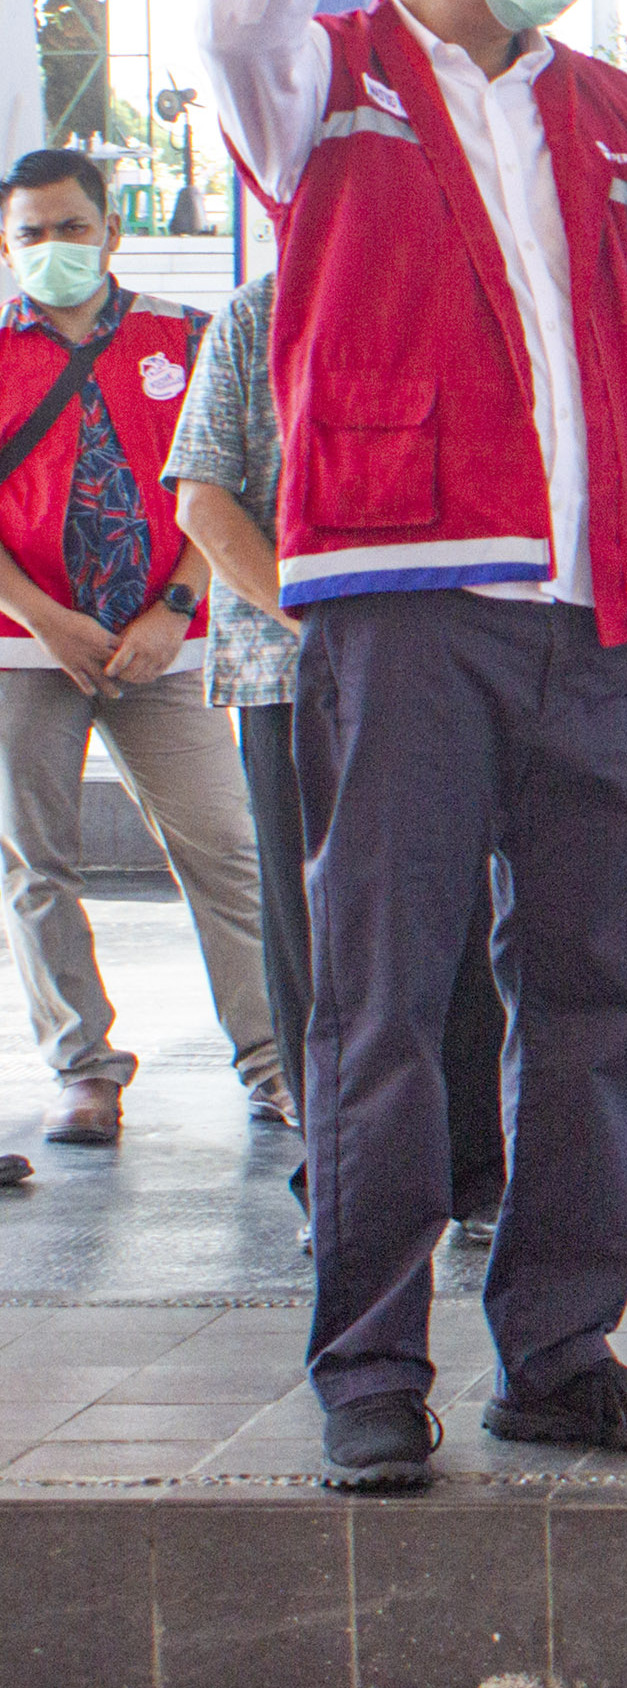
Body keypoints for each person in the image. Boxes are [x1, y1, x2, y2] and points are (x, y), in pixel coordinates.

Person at [199, 0, 627, 1495]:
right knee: (388, 993)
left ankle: (561, 1344)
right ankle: (371, 1366)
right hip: (411, 601)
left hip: (605, 618)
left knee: (592, 985)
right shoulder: (320, 84)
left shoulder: (612, 110)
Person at [166, 273, 509, 1242]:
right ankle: (349, 1178)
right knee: (310, 929)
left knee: (458, 913)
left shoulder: (455, 296)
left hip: (439, 666)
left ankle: (474, 1169)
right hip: (291, 669)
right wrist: (317, 621)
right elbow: (203, 497)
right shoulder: (256, 314)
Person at [0, 149, 280, 1150]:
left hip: (167, 648)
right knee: (39, 864)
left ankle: (276, 1059)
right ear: (7, 243)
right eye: (31, 233)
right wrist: (42, 616)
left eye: (72, 228)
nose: (54, 249)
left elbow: (234, 486)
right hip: (27, 652)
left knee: (227, 852)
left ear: (112, 231)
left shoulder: (190, 337)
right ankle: (83, 1069)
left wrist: (172, 609)